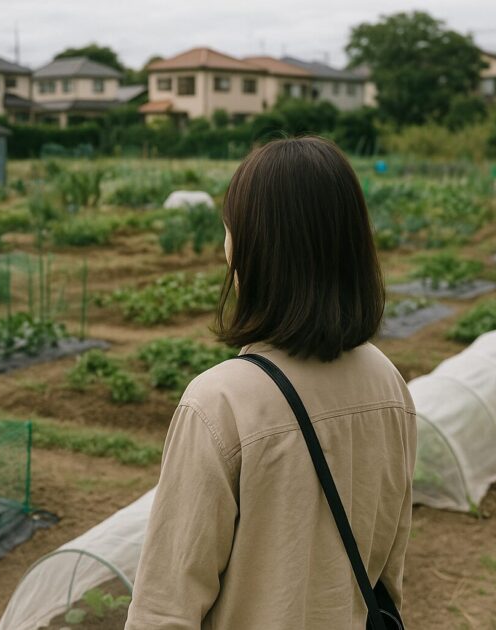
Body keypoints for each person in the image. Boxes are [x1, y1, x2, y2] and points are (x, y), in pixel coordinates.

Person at [125, 137, 416, 629]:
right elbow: (388, 569)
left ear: (255, 249)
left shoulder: (221, 403)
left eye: (231, 230)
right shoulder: (387, 381)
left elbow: (165, 609)